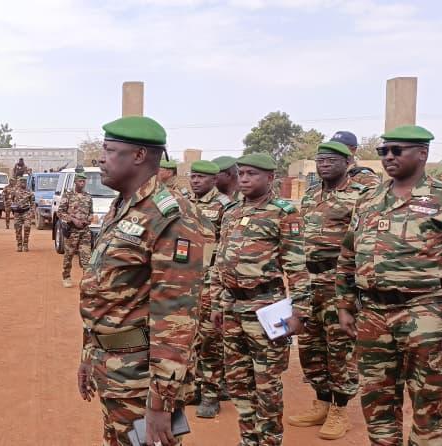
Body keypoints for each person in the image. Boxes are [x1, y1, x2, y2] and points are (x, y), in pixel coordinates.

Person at [337, 125, 442, 445]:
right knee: (375, 400)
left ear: (422, 154)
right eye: (383, 151)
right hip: (372, 314)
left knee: (427, 403)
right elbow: (348, 254)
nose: (388, 157)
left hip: (425, 312)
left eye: (397, 150)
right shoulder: (369, 199)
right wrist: (344, 303)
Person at [78, 116, 204, 446]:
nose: (101, 158)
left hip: (141, 378)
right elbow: (105, 294)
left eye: (109, 150)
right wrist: (88, 355)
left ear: (138, 156)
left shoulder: (170, 216)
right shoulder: (121, 207)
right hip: (112, 366)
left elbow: (176, 316)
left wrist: (161, 402)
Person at [209, 153, 309, 446]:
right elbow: (220, 262)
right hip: (232, 306)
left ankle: (269, 440)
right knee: (239, 381)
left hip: (267, 307)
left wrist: (300, 311)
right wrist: (217, 303)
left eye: (252, 174)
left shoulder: (284, 212)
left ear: (270, 178)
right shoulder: (231, 212)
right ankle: (248, 438)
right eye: (241, 174)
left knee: (266, 383)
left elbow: (297, 267)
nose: (245, 179)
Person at [285, 141, 370, 439]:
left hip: (339, 281)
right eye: (320, 159)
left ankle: (340, 410)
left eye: (332, 159)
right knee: (311, 346)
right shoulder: (310, 195)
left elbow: (364, 243)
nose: (324, 164)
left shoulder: (361, 196)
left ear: (348, 162)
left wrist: (354, 287)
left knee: (340, 349)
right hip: (309, 281)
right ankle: (321, 402)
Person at [186, 159, 229, 419]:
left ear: (214, 180)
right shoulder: (183, 202)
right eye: (193, 176)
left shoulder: (225, 206)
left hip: (210, 278)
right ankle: (195, 388)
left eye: (202, 177)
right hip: (185, 277)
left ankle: (212, 394)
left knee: (210, 338)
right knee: (188, 337)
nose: (195, 181)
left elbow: (227, 246)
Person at [57, 172, 92, 287]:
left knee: (86, 256)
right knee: (69, 255)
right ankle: (66, 277)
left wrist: (89, 219)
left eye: (84, 181)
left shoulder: (88, 196)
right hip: (72, 231)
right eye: (80, 181)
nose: (82, 183)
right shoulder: (68, 195)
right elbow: (60, 212)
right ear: (75, 182)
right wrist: (72, 220)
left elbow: (91, 212)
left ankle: (86, 280)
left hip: (85, 231)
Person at [9, 175, 35, 251]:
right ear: (19, 182)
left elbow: (32, 203)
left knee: (27, 227)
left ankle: (25, 244)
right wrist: (13, 208)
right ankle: (19, 245)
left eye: (24, 182)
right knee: (18, 229)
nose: (23, 183)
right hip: (17, 213)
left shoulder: (29, 191)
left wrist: (32, 212)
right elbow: (11, 200)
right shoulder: (14, 191)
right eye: (21, 182)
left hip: (26, 212)